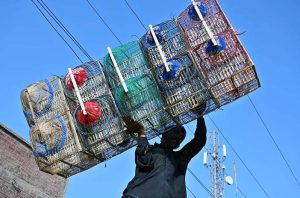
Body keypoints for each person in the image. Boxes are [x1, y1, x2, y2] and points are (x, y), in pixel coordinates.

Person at [122, 111, 207, 198]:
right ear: (164, 134)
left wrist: (199, 115)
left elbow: (199, 141)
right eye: (175, 133)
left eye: (180, 138)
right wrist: (141, 133)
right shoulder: (151, 150)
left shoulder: (180, 158)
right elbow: (143, 159)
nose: (178, 138)